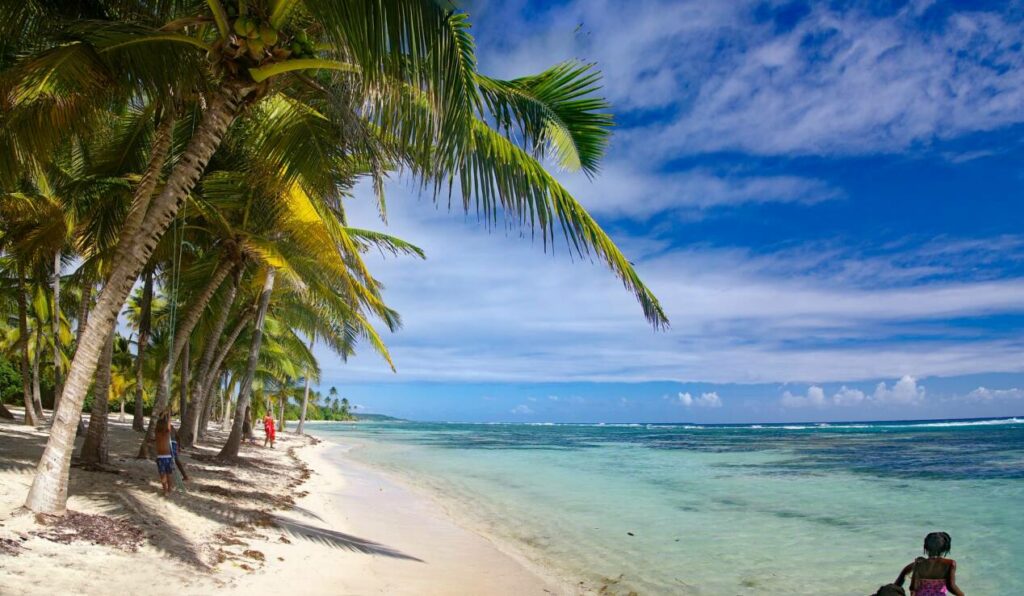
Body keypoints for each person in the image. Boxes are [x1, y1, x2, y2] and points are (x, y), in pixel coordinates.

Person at [895, 532, 965, 596]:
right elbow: (951, 587)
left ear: (926, 547)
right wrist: (962, 594)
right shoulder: (950, 564)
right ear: (945, 548)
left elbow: (906, 584)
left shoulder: (918, 563)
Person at [154, 411, 175, 495]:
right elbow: (169, 423)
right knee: (168, 474)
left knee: (163, 474)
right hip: (168, 457)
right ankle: (168, 489)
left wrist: (165, 415)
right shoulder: (167, 433)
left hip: (161, 457)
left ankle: (166, 490)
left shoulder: (157, 433)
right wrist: (168, 415)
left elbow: (167, 423)